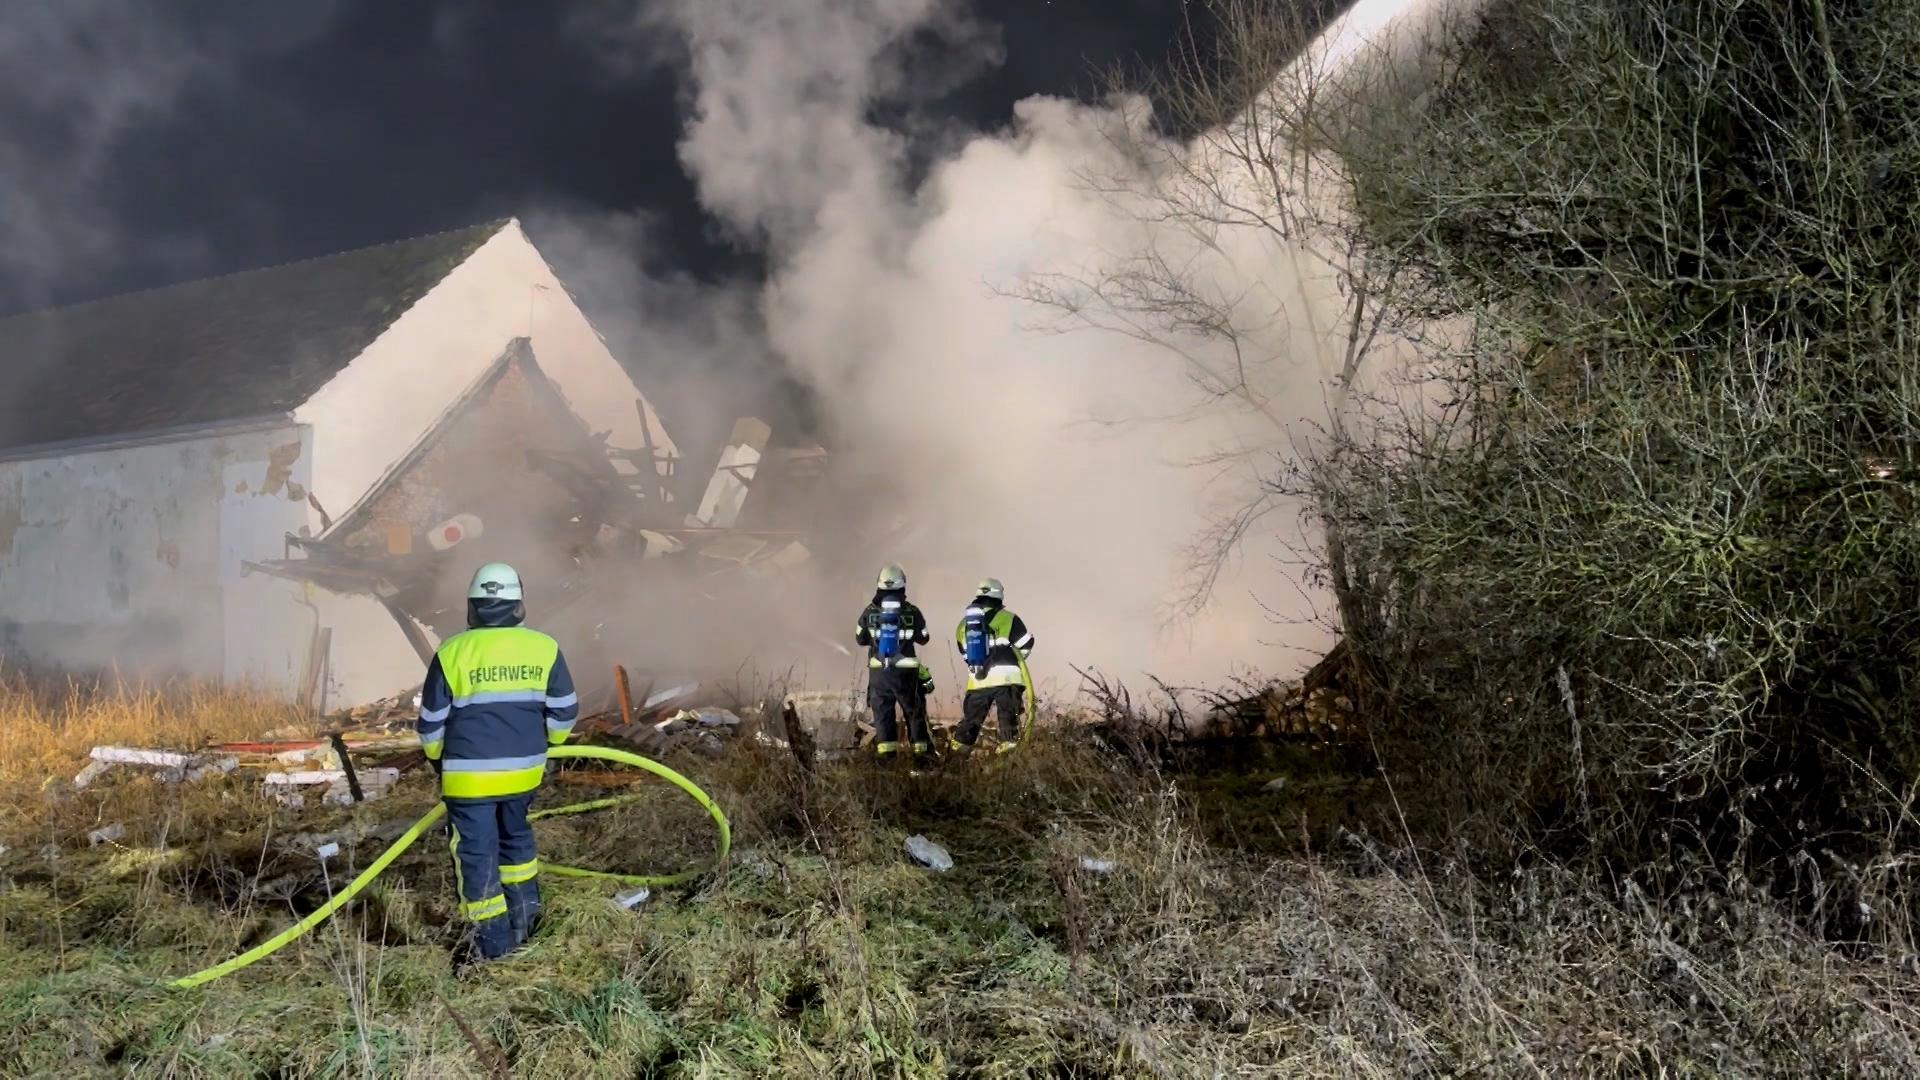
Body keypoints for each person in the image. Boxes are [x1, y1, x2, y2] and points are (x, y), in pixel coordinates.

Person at [416, 562, 578, 962]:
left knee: (476, 853)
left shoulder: (452, 652)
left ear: (472, 607)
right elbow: (565, 711)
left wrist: (438, 761)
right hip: (524, 773)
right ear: (518, 606)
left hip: (468, 781)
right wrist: (549, 746)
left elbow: (430, 726)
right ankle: (528, 926)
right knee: (517, 842)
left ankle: (494, 949)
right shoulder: (544, 648)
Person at [854, 563, 936, 759]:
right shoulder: (912, 611)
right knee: (914, 714)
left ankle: (887, 761)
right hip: (906, 674)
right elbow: (924, 638)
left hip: (879, 674)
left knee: (883, 717)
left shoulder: (869, 612)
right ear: (903, 585)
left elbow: (860, 639)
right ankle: (922, 760)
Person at [952, 577, 1035, 755]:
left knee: (970, 724)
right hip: (1007, 680)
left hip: (978, 682)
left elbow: (964, 653)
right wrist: (1014, 661)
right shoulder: (1009, 618)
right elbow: (1026, 645)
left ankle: (953, 764)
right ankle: (1006, 767)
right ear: (999, 597)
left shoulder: (963, 625)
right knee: (1008, 725)